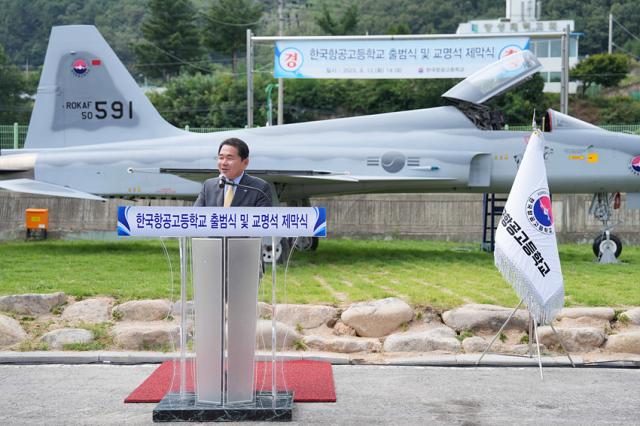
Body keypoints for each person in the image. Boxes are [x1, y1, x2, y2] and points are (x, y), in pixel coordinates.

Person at [194, 138, 272, 207]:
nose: (224, 163)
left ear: (245, 162)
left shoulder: (259, 188)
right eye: (221, 158)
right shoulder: (208, 186)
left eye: (229, 158)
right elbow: (195, 216)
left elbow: (262, 220)